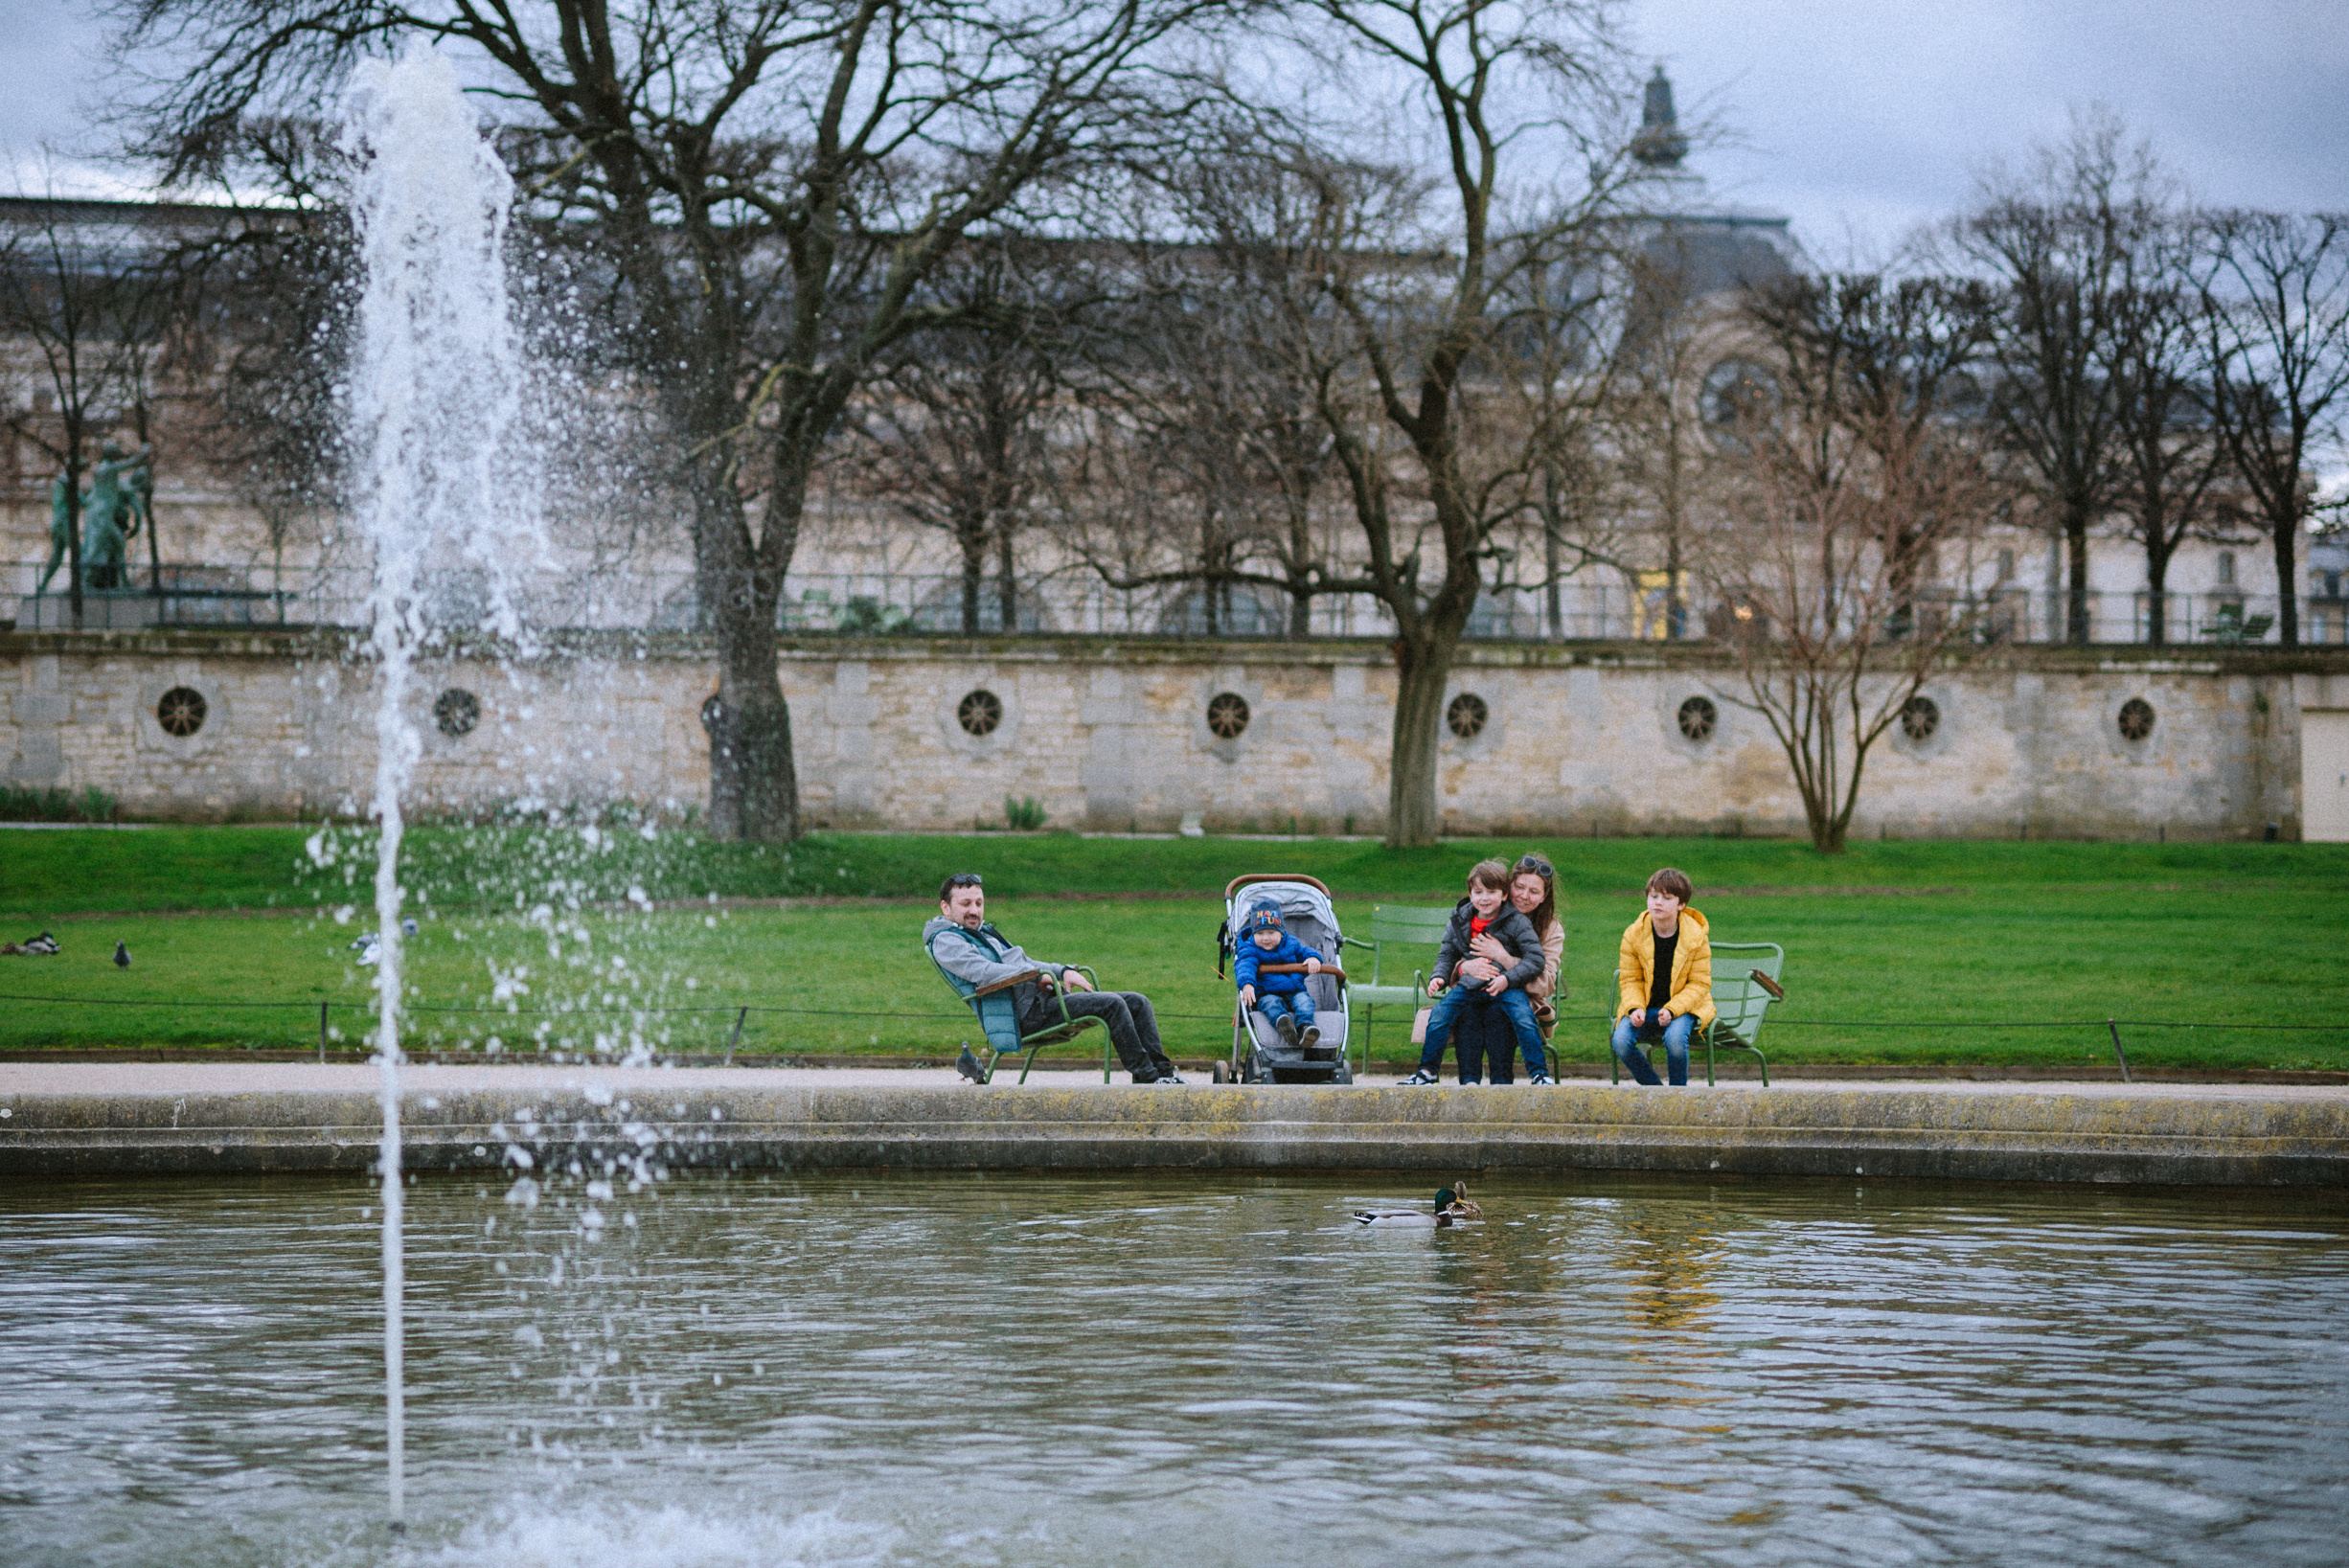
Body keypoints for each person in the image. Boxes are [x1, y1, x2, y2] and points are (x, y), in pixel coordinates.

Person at [923, 873, 1185, 1084]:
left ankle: (1164, 1074)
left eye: (979, 904)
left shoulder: (982, 933)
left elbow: (1025, 962)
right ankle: (1148, 1079)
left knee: (1137, 1001)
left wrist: (1062, 971)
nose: (974, 911)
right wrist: (1034, 976)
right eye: (966, 904)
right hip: (1023, 1016)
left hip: (1041, 1004)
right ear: (946, 907)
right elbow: (982, 972)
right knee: (1112, 1005)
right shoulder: (946, 940)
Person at [1400, 859, 1548, 1086]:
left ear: (1504, 895)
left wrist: (1507, 979)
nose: (1484, 898)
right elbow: (1447, 952)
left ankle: (1539, 1074)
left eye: (1491, 892)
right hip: (1469, 985)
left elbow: (1535, 959)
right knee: (1439, 1015)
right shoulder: (1461, 919)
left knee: (1524, 1019)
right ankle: (1427, 1071)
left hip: (1505, 986)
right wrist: (1439, 977)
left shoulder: (1516, 921)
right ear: (1470, 894)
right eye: (1478, 892)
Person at [1450, 853, 1564, 1084]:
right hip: (1477, 989)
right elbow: (1454, 956)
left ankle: (1502, 1085)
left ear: (1544, 897)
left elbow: (1545, 982)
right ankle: (1468, 1084)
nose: (1524, 895)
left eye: (1534, 891)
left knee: (1500, 1012)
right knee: (1468, 1010)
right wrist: (1464, 967)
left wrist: (1503, 957)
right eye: (1519, 887)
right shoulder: (1488, 910)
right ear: (1507, 886)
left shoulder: (1551, 929)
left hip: (1522, 997)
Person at [1610, 867, 1714, 1087]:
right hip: (1645, 1008)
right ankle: (1655, 1092)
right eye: (1653, 896)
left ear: (1681, 904)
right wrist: (1635, 1008)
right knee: (1620, 1041)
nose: (1658, 903)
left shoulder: (1696, 936)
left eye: (1667, 898)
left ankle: (1677, 1094)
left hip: (1682, 1010)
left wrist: (1672, 1010)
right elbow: (1630, 980)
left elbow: (1699, 983)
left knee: (1675, 1040)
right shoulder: (1633, 934)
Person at [1234, 901, 1324, 1050]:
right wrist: (1247, 983)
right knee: (1271, 1004)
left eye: (1271, 933)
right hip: (1266, 992)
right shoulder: (1250, 948)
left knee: (1305, 1002)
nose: (1265, 938)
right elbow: (1245, 965)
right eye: (1260, 933)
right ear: (1253, 933)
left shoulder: (1291, 943)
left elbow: (1305, 951)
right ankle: (1283, 1024)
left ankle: (1305, 1027)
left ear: (1281, 932)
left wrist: (1313, 958)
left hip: (1294, 990)